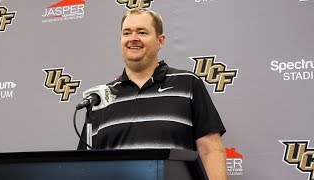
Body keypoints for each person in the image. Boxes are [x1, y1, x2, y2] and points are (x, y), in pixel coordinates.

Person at [79, 8, 227, 180]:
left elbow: (211, 151)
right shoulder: (100, 97)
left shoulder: (187, 83)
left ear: (160, 41)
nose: (133, 38)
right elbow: (84, 166)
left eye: (142, 32)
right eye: (127, 33)